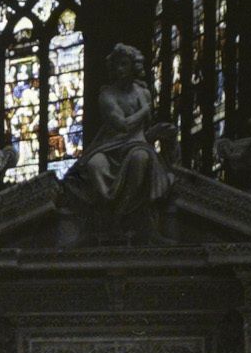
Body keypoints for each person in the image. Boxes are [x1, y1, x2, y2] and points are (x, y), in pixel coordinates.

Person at [63, 42, 172, 222]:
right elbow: (122, 125)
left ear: (133, 67)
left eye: (124, 64)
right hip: (109, 147)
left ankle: (124, 212)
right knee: (94, 164)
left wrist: (160, 132)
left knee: (141, 158)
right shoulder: (107, 95)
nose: (120, 69)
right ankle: (106, 209)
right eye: (117, 65)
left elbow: (143, 132)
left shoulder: (142, 93)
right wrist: (145, 110)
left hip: (136, 146)